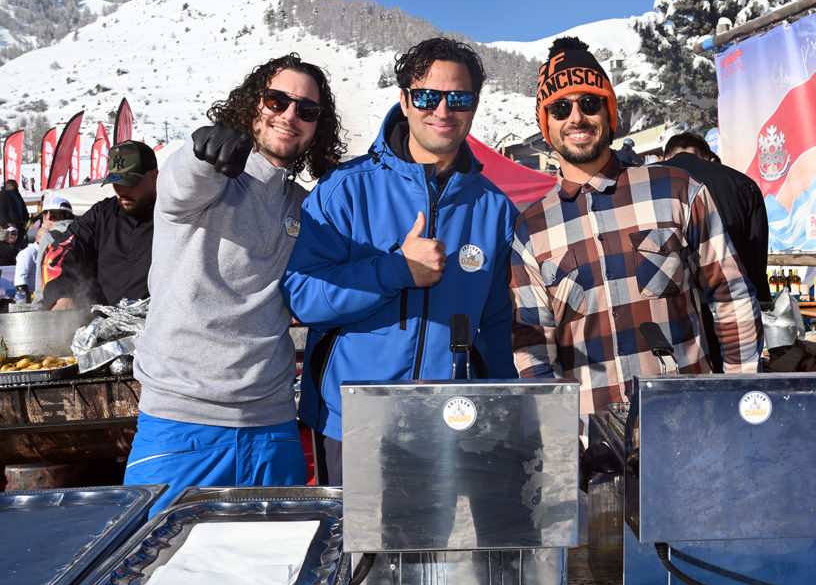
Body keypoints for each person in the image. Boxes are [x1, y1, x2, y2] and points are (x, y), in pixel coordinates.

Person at [282, 37, 518, 485]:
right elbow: (302, 296)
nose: (443, 110)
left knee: (446, 554)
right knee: (358, 556)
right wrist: (394, 271)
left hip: (456, 423)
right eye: (428, 96)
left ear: (474, 106)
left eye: (459, 98)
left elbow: (498, 326)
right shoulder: (345, 189)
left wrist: (505, 413)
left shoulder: (495, 209)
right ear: (406, 102)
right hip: (354, 423)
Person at [124, 53, 346, 515]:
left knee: (276, 575)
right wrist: (201, 151)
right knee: (153, 576)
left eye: (307, 110)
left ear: (317, 127)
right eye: (277, 100)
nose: (290, 115)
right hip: (183, 424)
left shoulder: (303, 206)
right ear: (252, 106)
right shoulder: (213, 181)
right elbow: (181, 185)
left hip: (274, 426)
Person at [510, 37, 763, 435]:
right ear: (547, 124)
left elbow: (733, 301)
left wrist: (741, 402)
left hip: (690, 425)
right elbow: (534, 353)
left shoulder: (677, 189)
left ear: (609, 112)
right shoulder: (532, 229)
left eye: (589, 103)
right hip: (592, 445)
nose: (576, 117)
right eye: (560, 108)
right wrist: (558, 442)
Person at [662, 131, 771, 370]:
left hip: (677, 318)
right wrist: (760, 296)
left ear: (665, 156)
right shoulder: (742, 184)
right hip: (736, 310)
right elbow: (756, 250)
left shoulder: (652, 186)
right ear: (708, 157)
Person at [43, 140, 157, 311]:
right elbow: (61, 251)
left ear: (154, 176)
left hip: (158, 325)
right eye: (116, 182)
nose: (122, 191)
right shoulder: (101, 214)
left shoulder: (177, 214)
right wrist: (61, 293)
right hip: (102, 324)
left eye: (130, 182)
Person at [14, 196, 75, 301]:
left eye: (42, 216)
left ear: (48, 215)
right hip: (85, 298)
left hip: (57, 301)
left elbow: (42, 274)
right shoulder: (85, 232)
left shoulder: (50, 237)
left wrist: (38, 302)